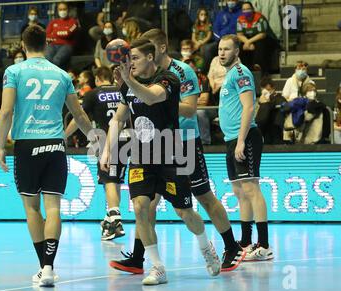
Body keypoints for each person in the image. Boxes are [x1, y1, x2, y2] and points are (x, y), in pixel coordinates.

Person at [109, 29, 244, 277]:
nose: (131, 61)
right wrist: (109, 149)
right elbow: (119, 117)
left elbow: (191, 110)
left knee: (194, 203)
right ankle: (147, 262)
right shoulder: (134, 81)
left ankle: (228, 246)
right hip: (145, 150)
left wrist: (158, 100)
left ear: (157, 50)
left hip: (182, 143)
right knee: (143, 206)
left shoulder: (177, 74)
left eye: (136, 57)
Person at [0, 25, 96, 287]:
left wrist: (0, 147)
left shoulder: (14, 71)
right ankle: (50, 268)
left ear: (22, 43)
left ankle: (43, 267)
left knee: (31, 207)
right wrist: (95, 137)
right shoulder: (62, 74)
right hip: (54, 144)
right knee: (53, 208)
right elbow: (80, 115)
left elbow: (6, 112)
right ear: (48, 43)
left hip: (27, 145)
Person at [218, 34, 273, 261]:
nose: (222, 53)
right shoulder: (229, 75)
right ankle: (246, 241)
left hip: (246, 137)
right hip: (231, 139)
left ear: (237, 52)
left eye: (227, 49)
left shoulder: (241, 73)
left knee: (251, 189)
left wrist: (241, 140)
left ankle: (264, 245)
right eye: (220, 49)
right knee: (240, 192)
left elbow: (249, 107)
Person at [65, 66, 128, 241]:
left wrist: (65, 135)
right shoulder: (122, 89)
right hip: (128, 137)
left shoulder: (93, 94)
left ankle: (115, 220)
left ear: (98, 78)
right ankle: (110, 220)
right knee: (115, 179)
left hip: (107, 140)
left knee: (109, 179)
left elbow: (80, 117)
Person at [236, 1, 277, 74]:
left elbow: (262, 34)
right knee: (241, 46)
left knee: (259, 44)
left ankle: (259, 69)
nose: (246, 11)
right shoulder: (240, 19)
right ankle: (243, 70)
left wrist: (248, 42)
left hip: (265, 38)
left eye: (248, 9)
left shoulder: (259, 17)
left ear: (252, 9)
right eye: (244, 9)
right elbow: (239, 34)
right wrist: (247, 42)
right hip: (249, 39)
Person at [46, 2, 80, 69]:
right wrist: (62, 33)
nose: (62, 11)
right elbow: (47, 35)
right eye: (60, 9)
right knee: (47, 60)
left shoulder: (74, 22)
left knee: (57, 60)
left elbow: (68, 33)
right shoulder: (53, 22)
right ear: (57, 11)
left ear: (68, 10)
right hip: (53, 44)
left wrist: (55, 33)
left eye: (64, 9)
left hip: (67, 45)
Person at [256, 77, 286, 144]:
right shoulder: (261, 101)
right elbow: (260, 120)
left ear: (273, 89)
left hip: (276, 131)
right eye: (263, 90)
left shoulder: (280, 99)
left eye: (268, 90)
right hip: (265, 133)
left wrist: (267, 102)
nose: (265, 92)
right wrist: (263, 104)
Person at [192, 8, 214, 72]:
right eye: (201, 14)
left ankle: (203, 69)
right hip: (196, 43)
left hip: (205, 43)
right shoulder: (195, 26)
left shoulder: (209, 25)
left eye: (205, 14)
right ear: (198, 15)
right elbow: (193, 38)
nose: (203, 16)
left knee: (203, 49)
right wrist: (197, 43)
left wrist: (200, 43)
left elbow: (208, 37)